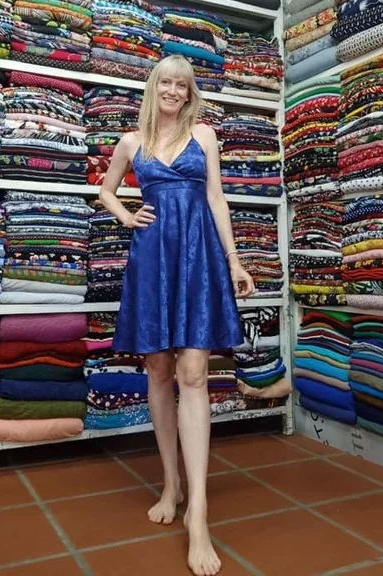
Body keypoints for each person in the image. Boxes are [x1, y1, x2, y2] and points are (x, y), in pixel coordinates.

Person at [99, 54, 255, 576]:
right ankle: (171, 484)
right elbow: (104, 189)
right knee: (158, 371)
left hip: (197, 258)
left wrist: (234, 261)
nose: (172, 90)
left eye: (181, 85)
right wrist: (126, 215)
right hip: (152, 260)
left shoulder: (204, 135)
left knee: (193, 373)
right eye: (165, 82)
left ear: (189, 93)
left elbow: (217, 200)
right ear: (154, 87)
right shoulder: (130, 142)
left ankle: (199, 512)